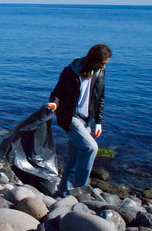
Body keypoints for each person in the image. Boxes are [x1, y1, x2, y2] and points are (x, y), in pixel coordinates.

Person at [47, 44, 112, 193]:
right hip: (71, 117)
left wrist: (98, 122)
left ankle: (63, 189)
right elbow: (58, 92)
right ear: (93, 59)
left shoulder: (100, 71)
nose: (104, 66)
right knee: (90, 148)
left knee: (74, 156)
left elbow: (100, 97)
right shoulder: (70, 71)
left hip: (86, 119)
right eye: (102, 63)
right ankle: (80, 188)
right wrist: (53, 103)